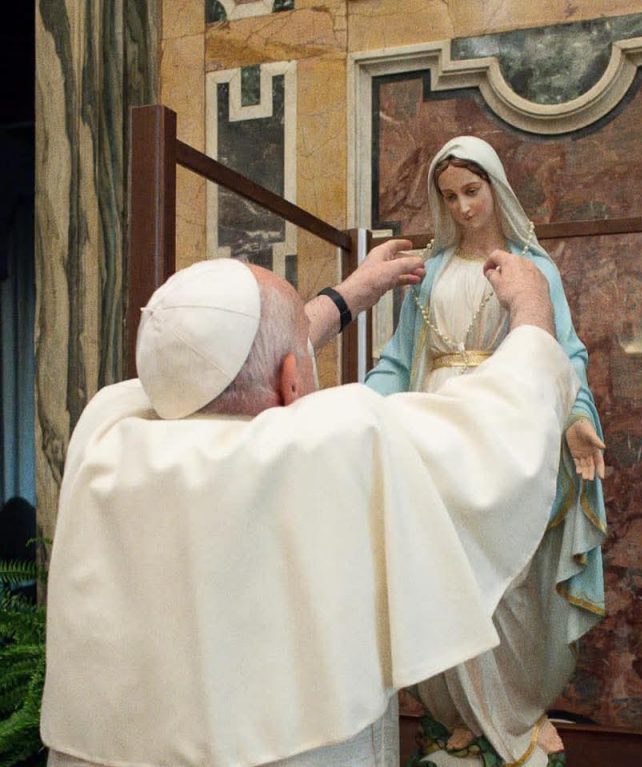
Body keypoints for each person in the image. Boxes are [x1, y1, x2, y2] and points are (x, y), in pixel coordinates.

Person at [41, 241, 579, 767]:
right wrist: (532, 310)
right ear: (292, 380)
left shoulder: (106, 432)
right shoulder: (328, 444)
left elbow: (207, 362)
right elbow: (502, 426)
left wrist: (348, 296)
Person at [365, 136, 607, 767]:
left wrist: (577, 417)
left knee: (510, 578)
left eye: (472, 191)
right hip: (435, 440)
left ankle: (515, 708)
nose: (463, 207)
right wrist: (361, 414)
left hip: (504, 431)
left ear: (495, 188)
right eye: (450, 196)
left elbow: (564, 352)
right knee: (443, 575)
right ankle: (458, 716)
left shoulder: (532, 269)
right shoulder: (433, 271)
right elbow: (397, 361)